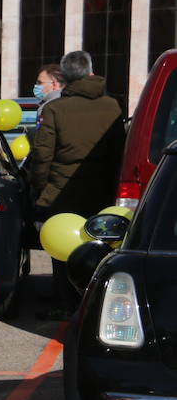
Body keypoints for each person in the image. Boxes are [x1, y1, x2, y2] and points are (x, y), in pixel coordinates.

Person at [29, 50, 126, 315]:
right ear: (90, 72)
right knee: (102, 248)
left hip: (62, 192)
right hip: (102, 192)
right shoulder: (113, 106)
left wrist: (40, 188)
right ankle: (97, 303)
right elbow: (120, 153)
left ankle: (66, 304)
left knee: (62, 250)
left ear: (66, 77)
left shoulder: (57, 109)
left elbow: (43, 156)